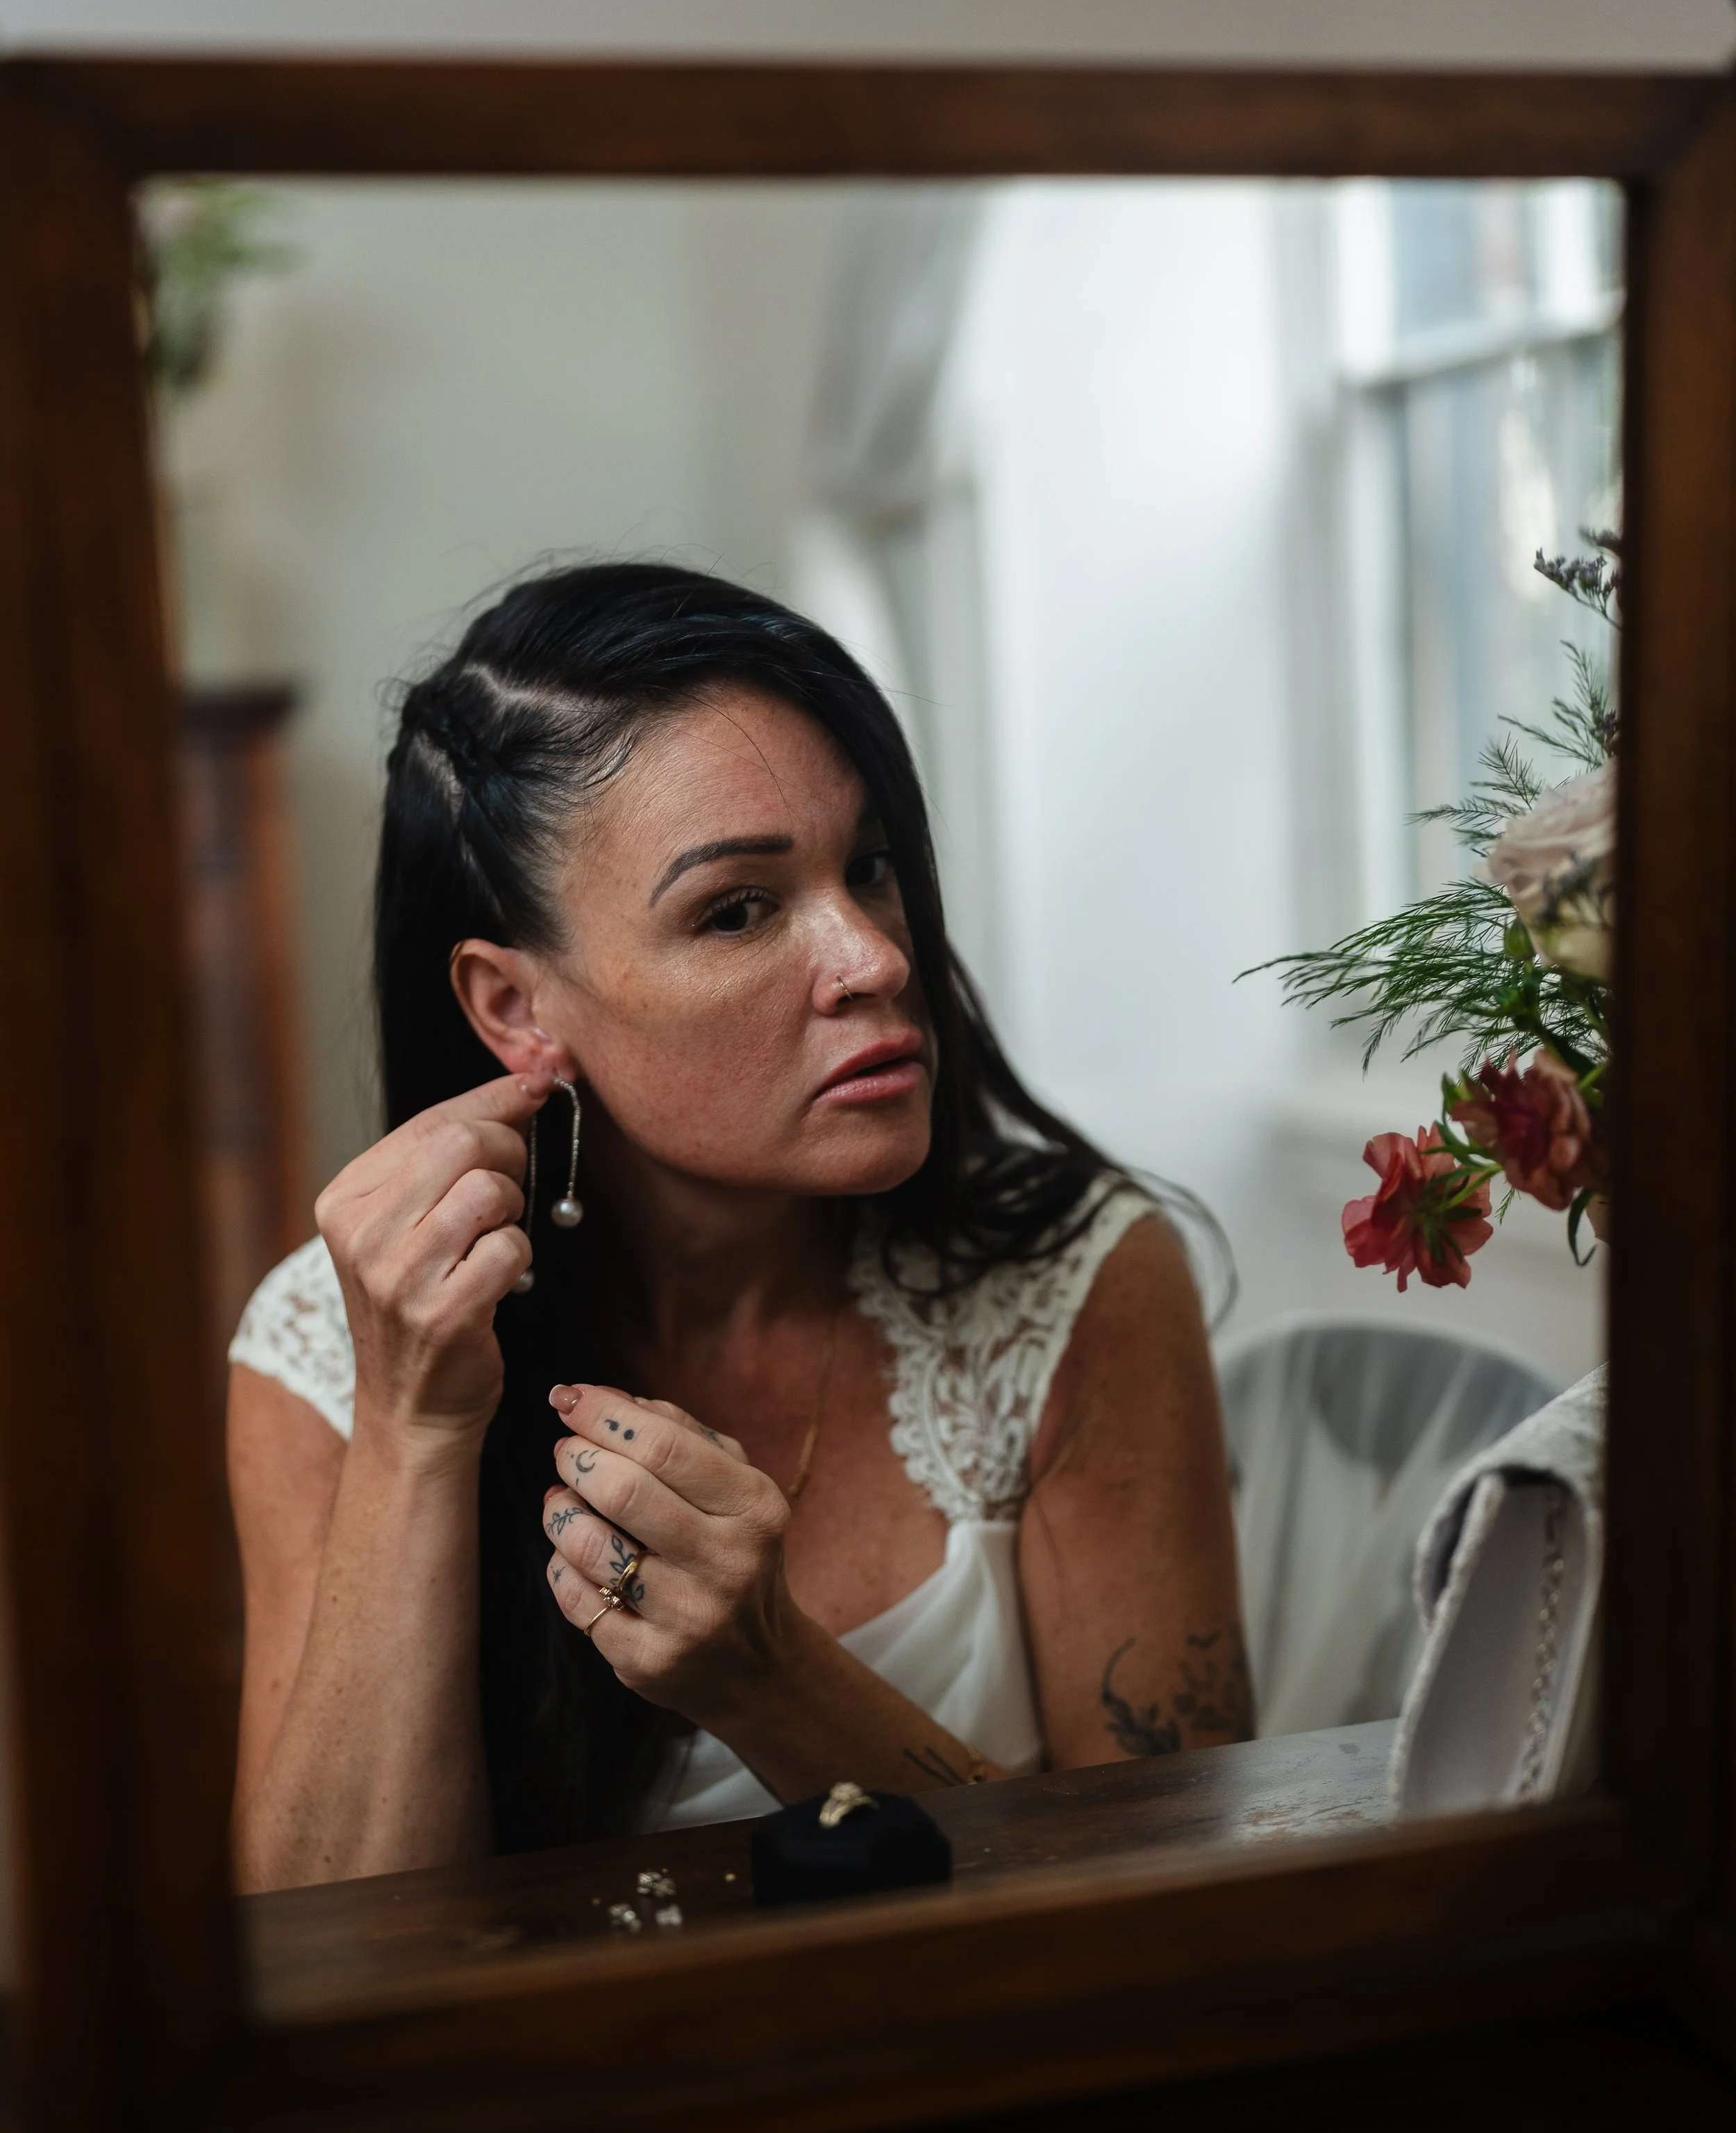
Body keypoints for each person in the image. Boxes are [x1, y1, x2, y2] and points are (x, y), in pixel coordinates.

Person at [228, 562, 1248, 1893]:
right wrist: (415, 1433)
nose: (875, 955)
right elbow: (326, 1977)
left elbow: (1186, 1909)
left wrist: (774, 1679)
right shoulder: (322, 1342)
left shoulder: (1076, 1281)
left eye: (870, 865)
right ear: (517, 1012)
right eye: (738, 908)